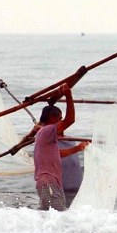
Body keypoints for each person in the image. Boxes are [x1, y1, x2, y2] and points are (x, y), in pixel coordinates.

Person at [33, 83, 83, 211]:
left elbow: (58, 154)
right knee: (58, 214)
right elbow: (70, 119)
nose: (61, 121)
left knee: (51, 216)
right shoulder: (47, 130)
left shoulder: (45, 135)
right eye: (59, 118)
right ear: (51, 118)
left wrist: (78, 148)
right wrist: (68, 95)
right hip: (49, 182)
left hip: (49, 183)